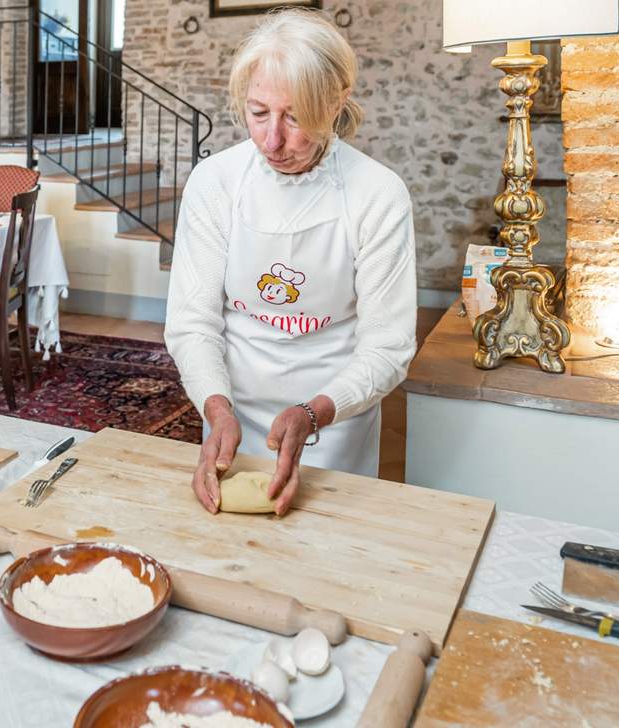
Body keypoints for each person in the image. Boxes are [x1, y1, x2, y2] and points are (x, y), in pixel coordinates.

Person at [165, 10, 417, 516]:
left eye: (296, 117)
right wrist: (217, 409)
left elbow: (387, 347)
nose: (272, 140)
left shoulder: (377, 194)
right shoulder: (216, 183)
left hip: (335, 419)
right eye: (259, 113)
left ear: (336, 102)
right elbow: (193, 322)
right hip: (230, 412)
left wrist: (314, 413)